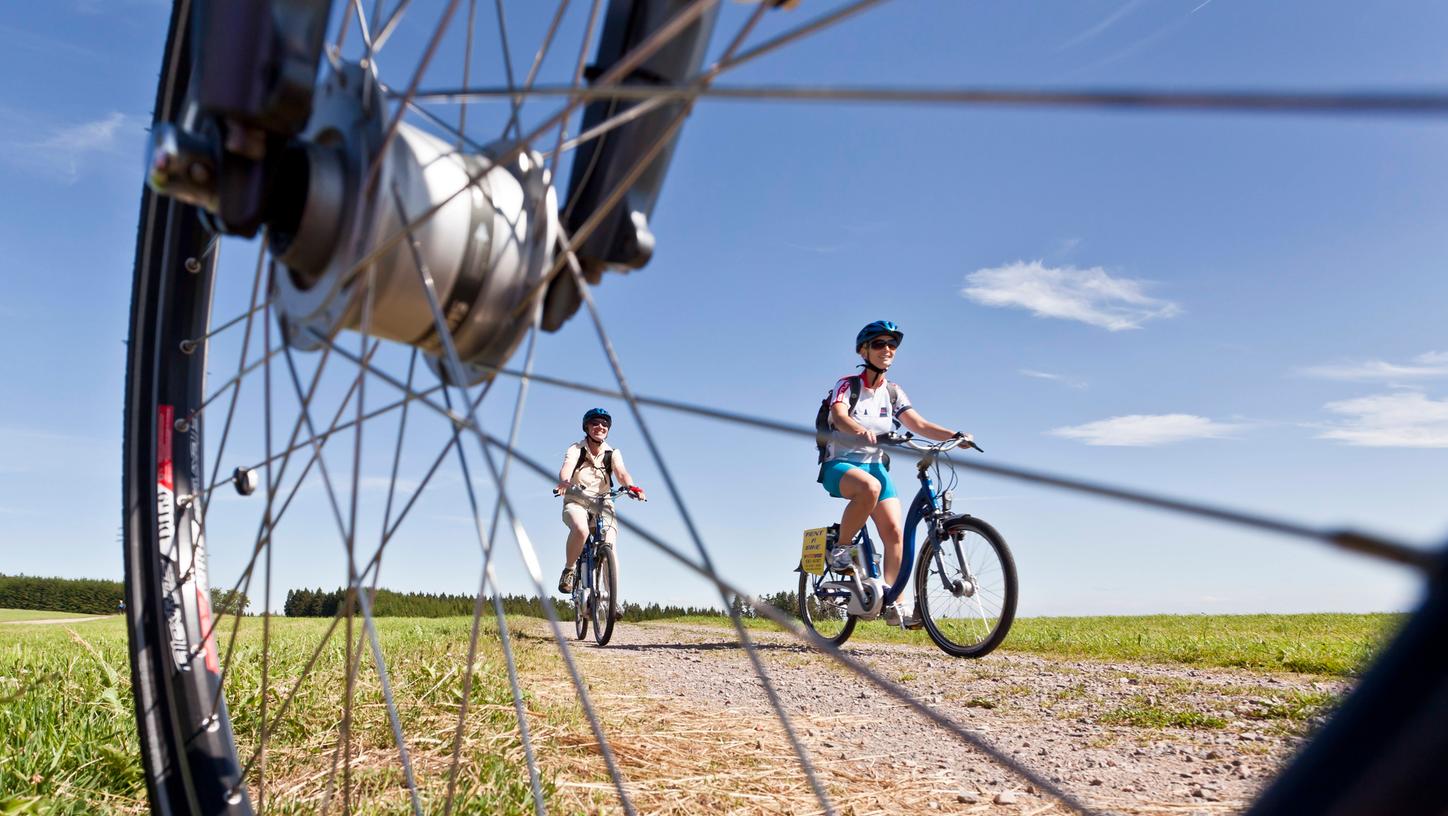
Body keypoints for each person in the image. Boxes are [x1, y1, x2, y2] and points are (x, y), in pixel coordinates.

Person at [820, 320, 971, 628]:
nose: (886, 349)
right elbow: (838, 414)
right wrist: (859, 430)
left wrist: (954, 434)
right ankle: (840, 551)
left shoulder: (893, 392)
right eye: (878, 344)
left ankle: (893, 602)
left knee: (894, 535)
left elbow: (919, 424)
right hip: (841, 464)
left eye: (892, 345)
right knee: (870, 488)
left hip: (875, 465)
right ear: (864, 350)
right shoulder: (848, 385)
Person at [557, 408, 646, 594]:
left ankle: (611, 598)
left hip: (603, 503)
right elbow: (567, 467)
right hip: (577, 500)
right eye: (595, 423)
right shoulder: (576, 449)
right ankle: (569, 570)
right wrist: (565, 482)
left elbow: (621, 472)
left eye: (605, 424)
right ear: (586, 427)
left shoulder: (612, 453)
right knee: (581, 530)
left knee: (610, 549)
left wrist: (631, 486)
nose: (600, 427)